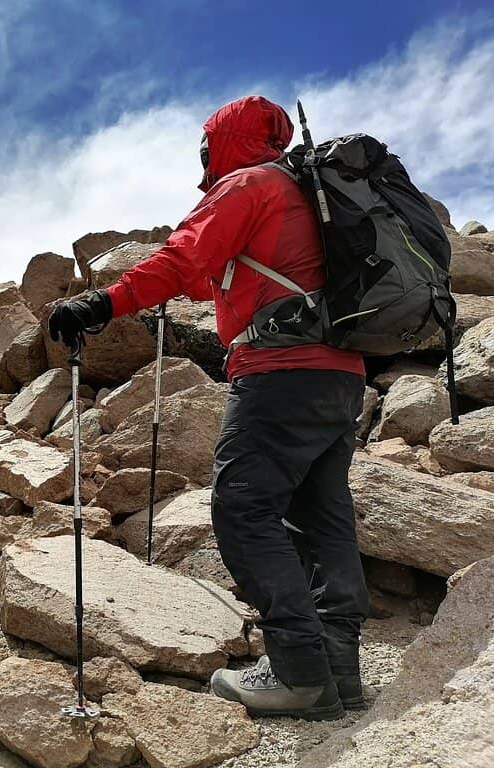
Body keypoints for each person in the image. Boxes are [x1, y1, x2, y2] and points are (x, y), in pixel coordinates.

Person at [48, 95, 368, 721]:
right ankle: (338, 669)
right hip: (340, 374)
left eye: (205, 145)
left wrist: (101, 305)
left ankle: (300, 673)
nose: (201, 159)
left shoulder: (248, 184)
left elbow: (185, 257)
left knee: (244, 508)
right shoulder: (305, 192)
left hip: (279, 371)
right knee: (321, 514)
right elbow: (208, 275)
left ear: (226, 140)